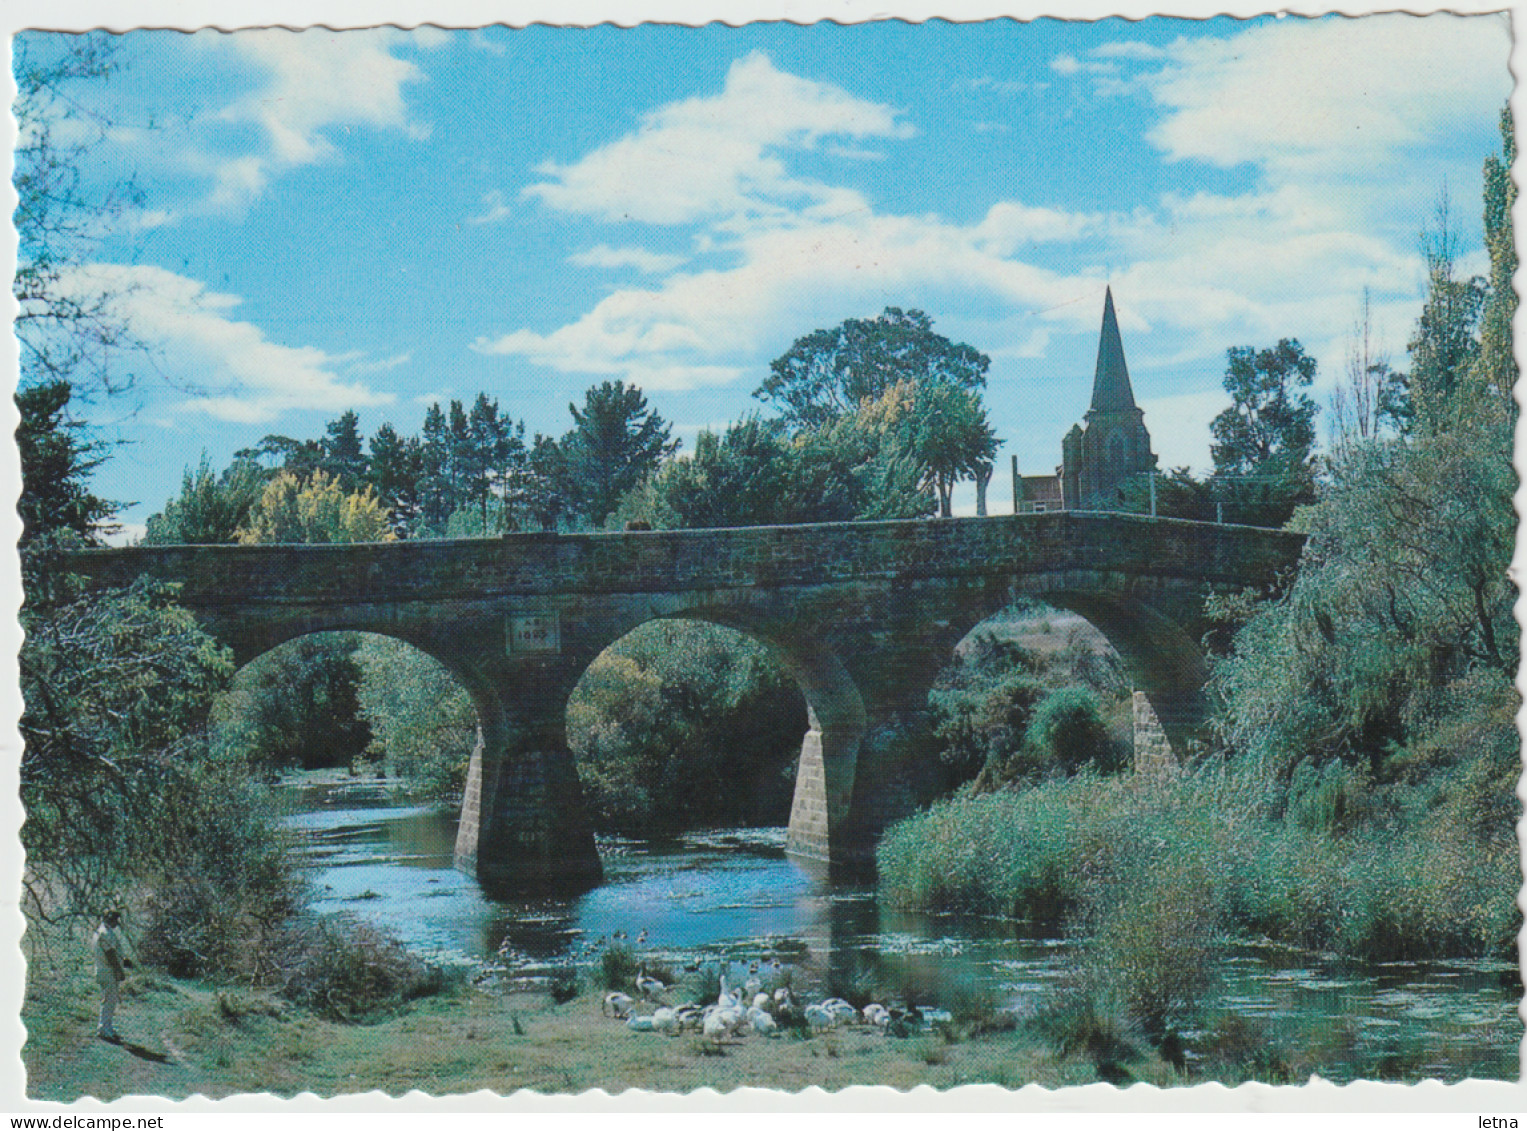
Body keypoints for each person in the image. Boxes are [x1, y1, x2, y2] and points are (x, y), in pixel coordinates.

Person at [92, 910, 132, 1043]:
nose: (116, 923)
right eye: (115, 920)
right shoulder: (105, 933)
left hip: (104, 970)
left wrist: (123, 961)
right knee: (109, 1000)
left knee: (110, 1000)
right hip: (108, 971)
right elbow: (110, 954)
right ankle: (103, 1029)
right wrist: (119, 970)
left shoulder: (101, 931)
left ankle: (107, 1027)